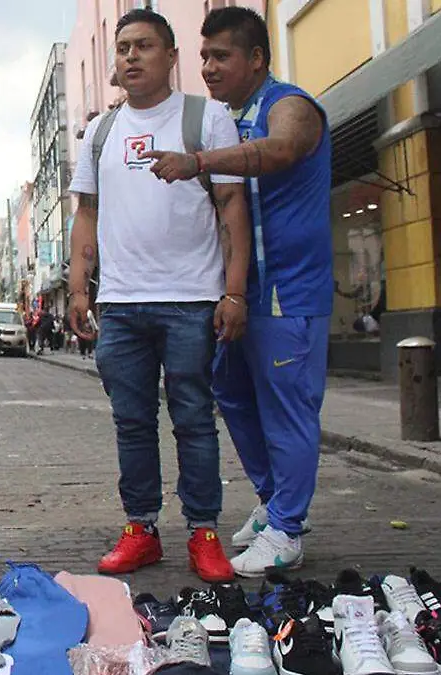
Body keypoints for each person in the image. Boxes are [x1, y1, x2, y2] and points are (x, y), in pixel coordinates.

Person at [141, 7, 331, 576]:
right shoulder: (226, 116)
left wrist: (197, 161)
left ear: (256, 58)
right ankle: (276, 506)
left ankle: (289, 529)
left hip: (289, 293)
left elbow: (282, 151)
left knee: (287, 410)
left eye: (221, 56)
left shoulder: (288, 105)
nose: (208, 67)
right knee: (230, 390)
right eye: (203, 57)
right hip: (239, 291)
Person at [67, 8, 251, 584]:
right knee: (132, 422)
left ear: (172, 57)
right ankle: (140, 530)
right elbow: (86, 214)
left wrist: (235, 293)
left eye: (143, 45)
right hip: (121, 305)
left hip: (191, 300)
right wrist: (78, 286)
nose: (129, 56)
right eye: (122, 48)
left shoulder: (207, 117)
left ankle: (203, 532)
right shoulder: (100, 132)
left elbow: (231, 208)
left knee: (195, 418)